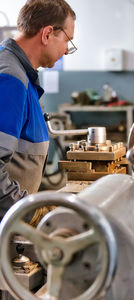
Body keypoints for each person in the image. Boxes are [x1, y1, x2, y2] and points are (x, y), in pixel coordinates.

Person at [0, 0, 76, 221]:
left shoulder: (22, 75)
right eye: (67, 40)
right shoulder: (10, 77)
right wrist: (29, 213)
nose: (66, 50)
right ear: (47, 34)